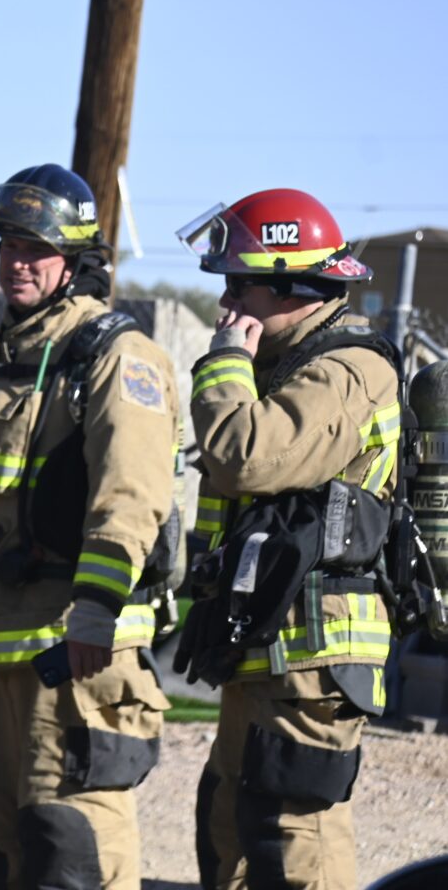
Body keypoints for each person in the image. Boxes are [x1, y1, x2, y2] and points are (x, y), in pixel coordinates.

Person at [0, 163, 180, 890]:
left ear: (75, 260)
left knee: (73, 846)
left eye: (36, 249)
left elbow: (133, 494)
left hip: (74, 645)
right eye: (8, 246)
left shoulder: (115, 355)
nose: (17, 263)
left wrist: (96, 606)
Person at [174, 189, 400, 890]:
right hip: (266, 642)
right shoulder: (284, 366)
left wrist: (222, 365)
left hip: (313, 658)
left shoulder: (346, 370)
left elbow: (245, 456)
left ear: (291, 285)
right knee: (228, 830)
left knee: (294, 843)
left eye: (239, 286)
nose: (226, 303)